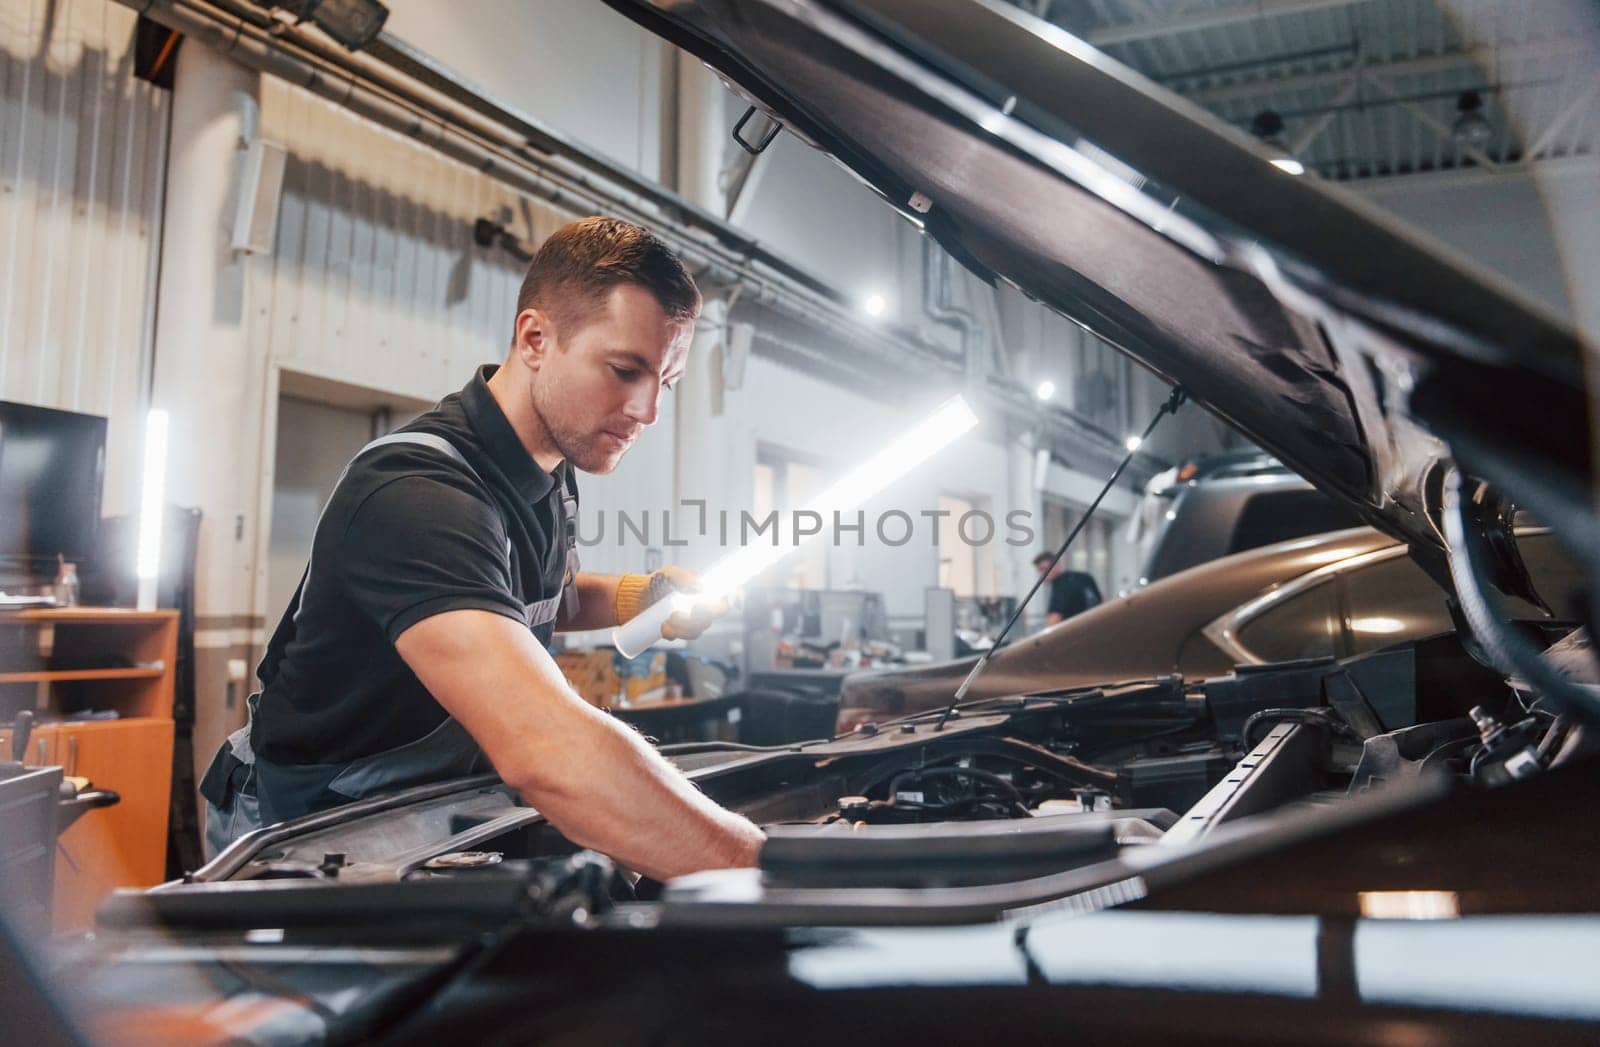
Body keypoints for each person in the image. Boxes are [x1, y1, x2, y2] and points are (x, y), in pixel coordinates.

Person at [200, 217, 764, 880]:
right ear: (535, 338)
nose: (647, 412)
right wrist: (765, 865)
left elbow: (532, 598)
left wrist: (644, 596)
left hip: (432, 807)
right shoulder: (416, 493)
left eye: (663, 383)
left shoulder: (552, 466)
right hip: (311, 826)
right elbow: (546, 746)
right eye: (624, 369)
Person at [1032, 551, 1103, 627]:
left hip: (1078, 631)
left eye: (1044, 569)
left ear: (1057, 565)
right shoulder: (1085, 577)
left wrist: (1042, 637)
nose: (1042, 574)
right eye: (1039, 571)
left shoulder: (1060, 585)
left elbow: (1054, 618)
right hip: (1098, 625)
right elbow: (1102, 602)